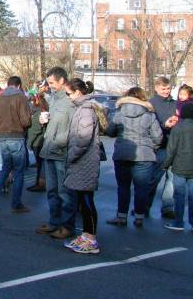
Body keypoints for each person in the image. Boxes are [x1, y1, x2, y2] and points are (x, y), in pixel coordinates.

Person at [105, 87, 163, 227]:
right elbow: (158, 137)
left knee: (123, 187)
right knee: (141, 188)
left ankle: (121, 216)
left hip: (123, 153)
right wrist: (152, 148)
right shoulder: (149, 114)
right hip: (144, 155)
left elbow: (110, 131)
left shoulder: (118, 113)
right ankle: (139, 217)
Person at [63, 79, 106, 254]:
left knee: (87, 201)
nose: (68, 97)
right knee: (82, 198)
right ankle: (86, 235)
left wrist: (71, 155)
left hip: (85, 161)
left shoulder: (86, 110)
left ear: (78, 92)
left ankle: (92, 239)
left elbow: (83, 138)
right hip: (82, 161)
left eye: (69, 94)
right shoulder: (81, 108)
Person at [37, 67, 77, 239]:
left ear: (62, 81)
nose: (50, 86)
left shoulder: (69, 101)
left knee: (64, 192)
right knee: (51, 190)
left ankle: (67, 226)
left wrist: (60, 142)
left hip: (61, 152)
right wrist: (43, 120)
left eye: (52, 83)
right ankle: (55, 222)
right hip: (49, 151)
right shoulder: (53, 99)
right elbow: (54, 123)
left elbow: (72, 128)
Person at [0, 76, 32, 212]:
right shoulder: (21, 98)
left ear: (7, 85)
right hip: (16, 137)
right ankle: (16, 204)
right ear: (18, 86)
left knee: (4, 169)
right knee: (18, 172)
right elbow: (26, 122)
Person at [162, 103, 193, 232]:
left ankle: (178, 222)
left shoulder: (178, 128)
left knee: (179, 195)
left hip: (179, 165)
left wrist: (166, 164)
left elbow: (171, 149)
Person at [148, 77, 178, 219]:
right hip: (159, 147)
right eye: (163, 89)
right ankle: (144, 206)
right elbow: (149, 126)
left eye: (168, 89)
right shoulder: (151, 104)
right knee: (153, 178)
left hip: (174, 146)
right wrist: (164, 125)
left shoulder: (175, 104)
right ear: (156, 88)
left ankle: (167, 207)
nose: (166, 91)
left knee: (171, 179)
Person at [27, 92, 48, 193]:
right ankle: (39, 183)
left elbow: (35, 129)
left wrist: (29, 142)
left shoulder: (37, 112)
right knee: (41, 164)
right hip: (41, 141)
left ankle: (40, 184)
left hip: (38, 142)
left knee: (40, 165)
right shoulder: (44, 110)